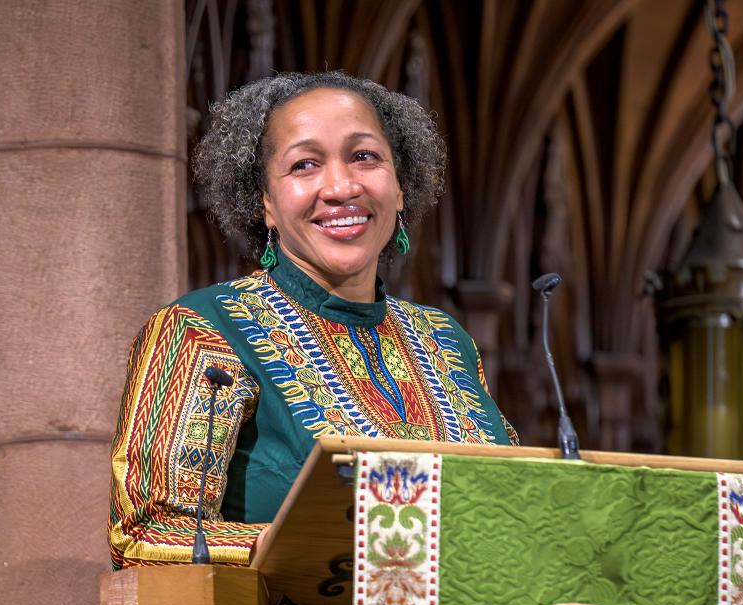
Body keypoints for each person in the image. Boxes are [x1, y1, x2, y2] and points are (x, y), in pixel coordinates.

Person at [108, 71, 516, 569]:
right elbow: (144, 533)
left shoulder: (447, 340)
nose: (341, 186)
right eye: (305, 165)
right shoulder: (202, 330)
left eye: (364, 156)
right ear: (266, 205)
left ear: (401, 187)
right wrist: (315, 544)